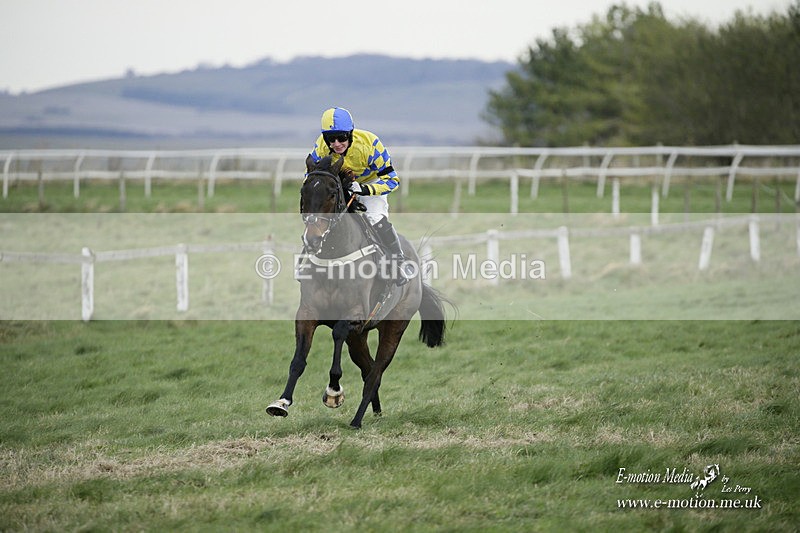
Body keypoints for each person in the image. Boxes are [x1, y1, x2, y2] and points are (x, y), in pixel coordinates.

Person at [308, 107, 413, 285]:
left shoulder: (370, 144)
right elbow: (311, 176)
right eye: (330, 139)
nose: (336, 144)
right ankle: (307, 261)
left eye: (341, 137)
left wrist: (364, 190)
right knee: (319, 218)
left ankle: (398, 262)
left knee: (375, 217)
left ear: (350, 133)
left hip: (371, 185)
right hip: (340, 186)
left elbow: (392, 180)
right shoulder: (321, 147)